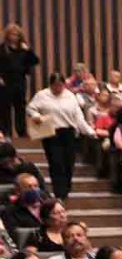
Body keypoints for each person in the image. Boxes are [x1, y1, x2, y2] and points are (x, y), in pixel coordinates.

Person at [26, 71, 94, 199]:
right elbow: (30, 108)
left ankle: (66, 189)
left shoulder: (70, 96)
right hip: (51, 132)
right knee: (56, 163)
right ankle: (59, 193)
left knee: (69, 163)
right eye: (55, 85)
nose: (58, 88)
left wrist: (89, 131)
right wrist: (36, 116)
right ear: (50, 85)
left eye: (60, 85)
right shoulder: (42, 95)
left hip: (68, 132)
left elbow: (78, 116)